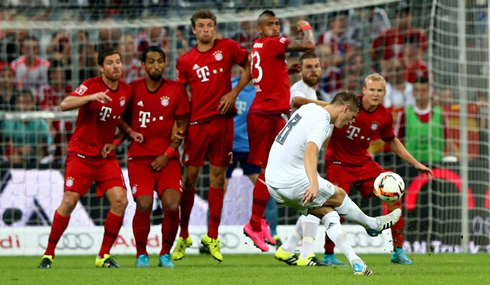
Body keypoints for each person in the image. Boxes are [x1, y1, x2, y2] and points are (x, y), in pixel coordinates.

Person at [266, 90, 402, 275]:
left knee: (328, 213)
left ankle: (357, 263)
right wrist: (313, 184)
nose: (351, 122)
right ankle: (372, 224)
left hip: (272, 181)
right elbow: (310, 153)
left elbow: (333, 106)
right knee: (339, 195)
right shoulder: (322, 122)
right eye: (352, 116)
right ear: (345, 108)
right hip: (290, 178)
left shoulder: (309, 109)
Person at [321, 73, 433, 266]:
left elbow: (392, 141)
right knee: (336, 206)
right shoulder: (349, 104)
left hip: (363, 163)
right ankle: (329, 255)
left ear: (384, 93)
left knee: (394, 196)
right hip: (338, 163)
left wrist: (415, 163)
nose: (375, 93)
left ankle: (398, 251)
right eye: (371, 89)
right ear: (363, 90)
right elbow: (325, 113)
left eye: (379, 90)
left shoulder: (383, 115)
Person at [37, 48, 132, 269]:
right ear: (101, 67)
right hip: (80, 154)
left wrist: (116, 143)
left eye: (118, 62)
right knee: (69, 201)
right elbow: (64, 104)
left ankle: (103, 256)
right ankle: (48, 255)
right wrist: (90, 97)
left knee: (121, 201)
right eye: (110, 63)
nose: (116, 66)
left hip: (105, 157)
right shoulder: (92, 84)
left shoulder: (127, 91)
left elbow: (126, 124)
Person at [172, 9, 251, 263]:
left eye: (210, 25)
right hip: (196, 125)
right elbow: (179, 94)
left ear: (215, 28)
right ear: (194, 30)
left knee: (219, 179)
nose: (206, 29)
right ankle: (183, 235)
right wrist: (178, 124)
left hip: (223, 124)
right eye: (202, 26)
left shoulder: (227, 47)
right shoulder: (185, 61)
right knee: (191, 178)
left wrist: (234, 92)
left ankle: (213, 237)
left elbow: (250, 66)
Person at [103, 46, 189, 268]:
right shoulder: (131, 90)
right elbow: (118, 117)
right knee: (144, 203)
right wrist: (121, 138)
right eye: (151, 61)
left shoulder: (176, 91)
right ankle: (141, 254)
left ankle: (165, 254)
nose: (156, 66)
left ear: (165, 63)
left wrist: (167, 154)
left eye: (160, 61)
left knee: (172, 204)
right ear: (142, 65)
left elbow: (182, 127)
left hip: (167, 158)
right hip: (139, 159)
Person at [243, 10, 315, 253]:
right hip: (265, 117)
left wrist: (287, 71)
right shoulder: (275, 43)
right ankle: (254, 224)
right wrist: (305, 28)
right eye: (270, 24)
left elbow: (268, 73)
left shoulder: (260, 45)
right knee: (267, 171)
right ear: (260, 29)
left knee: (272, 170)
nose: (275, 28)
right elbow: (309, 46)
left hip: (270, 116)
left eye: (277, 24)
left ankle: (259, 220)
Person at [277, 52, 328, 266]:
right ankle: (306, 254)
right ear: (300, 70)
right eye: (308, 66)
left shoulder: (311, 91)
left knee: (312, 201)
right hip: (295, 155)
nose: (313, 70)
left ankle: (288, 249)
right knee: (315, 199)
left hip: (301, 154)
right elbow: (295, 101)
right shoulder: (299, 89)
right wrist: (329, 104)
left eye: (317, 66)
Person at [395, 76, 460, 162]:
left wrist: (460, 158)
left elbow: (447, 140)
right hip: (412, 165)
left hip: (435, 164)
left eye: (424, 91)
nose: (420, 94)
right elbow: (396, 142)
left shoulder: (440, 114)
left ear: (430, 92)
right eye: (417, 91)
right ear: (413, 93)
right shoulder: (404, 114)